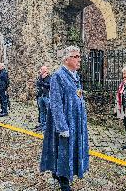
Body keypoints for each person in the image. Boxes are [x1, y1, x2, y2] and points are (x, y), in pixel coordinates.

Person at [40, 46, 89, 191]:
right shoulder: (58, 76)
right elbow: (55, 103)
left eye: (79, 56)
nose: (79, 59)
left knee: (71, 149)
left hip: (76, 121)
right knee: (64, 150)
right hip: (65, 122)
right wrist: (62, 126)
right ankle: (64, 180)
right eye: (76, 56)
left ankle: (61, 172)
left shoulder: (75, 76)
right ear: (66, 59)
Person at [35, 66, 51, 131]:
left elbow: (48, 85)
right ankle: (42, 124)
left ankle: (47, 126)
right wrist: (41, 80)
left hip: (46, 96)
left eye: (41, 69)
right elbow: (37, 83)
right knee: (41, 111)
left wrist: (42, 83)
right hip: (40, 96)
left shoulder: (49, 77)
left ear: (45, 70)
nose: (40, 70)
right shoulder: (40, 77)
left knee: (47, 111)